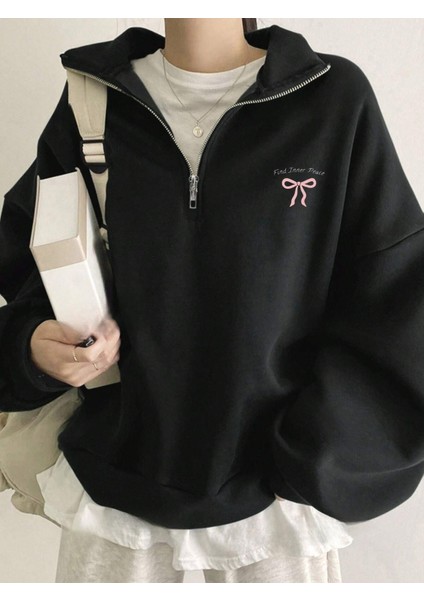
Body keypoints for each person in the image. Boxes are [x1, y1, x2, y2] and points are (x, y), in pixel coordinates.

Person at [0, 18, 423, 583]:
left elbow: (394, 292)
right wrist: (34, 348)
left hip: (275, 502)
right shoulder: (90, 101)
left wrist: (319, 453)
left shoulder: (330, 98)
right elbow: (33, 268)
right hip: (113, 488)